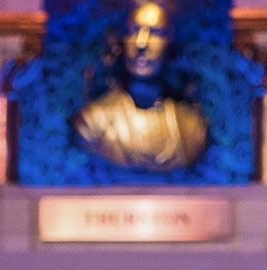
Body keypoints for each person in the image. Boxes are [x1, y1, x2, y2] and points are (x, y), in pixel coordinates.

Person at [71, 0, 208, 172]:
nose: (141, 43)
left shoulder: (192, 127)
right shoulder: (92, 122)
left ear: (171, 43)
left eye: (155, 33)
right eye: (133, 31)